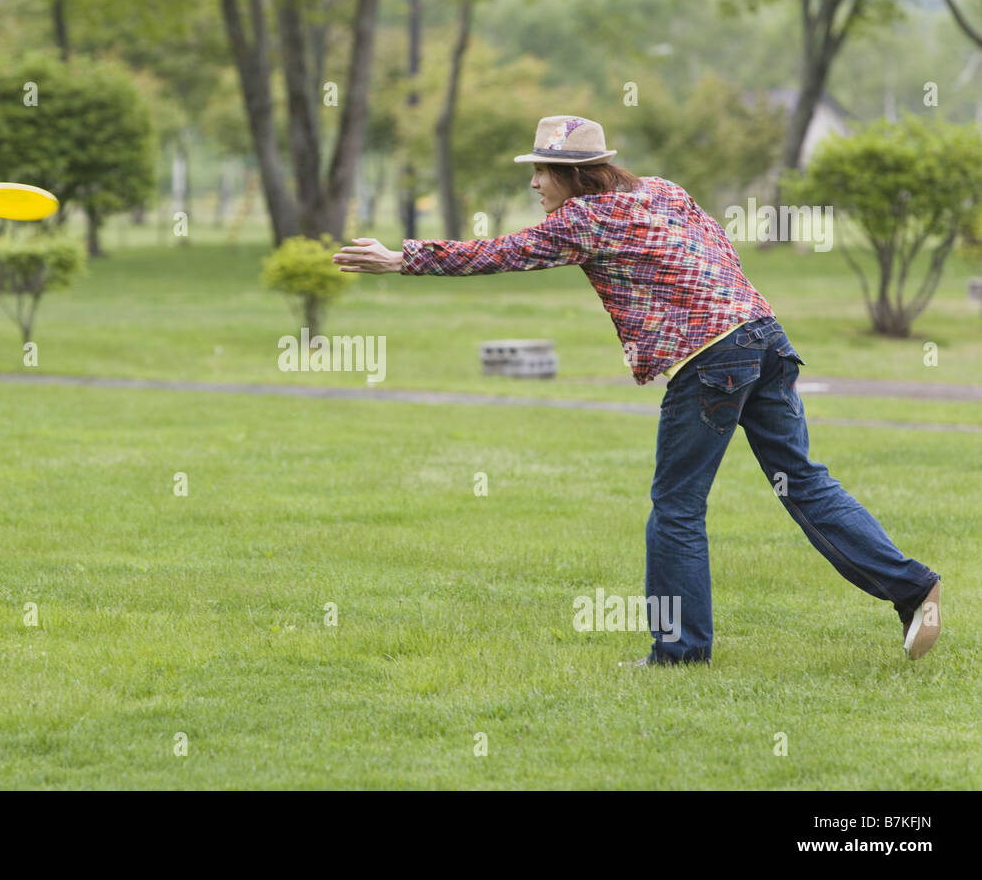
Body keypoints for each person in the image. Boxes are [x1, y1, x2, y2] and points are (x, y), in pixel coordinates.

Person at [331, 114, 942, 665]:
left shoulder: (583, 220)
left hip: (710, 358)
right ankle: (913, 587)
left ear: (572, 174)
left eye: (541, 172)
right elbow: (718, 251)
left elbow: (501, 253)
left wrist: (402, 258)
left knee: (676, 506)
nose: (534, 184)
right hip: (764, 336)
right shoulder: (662, 191)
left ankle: (679, 652)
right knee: (804, 480)